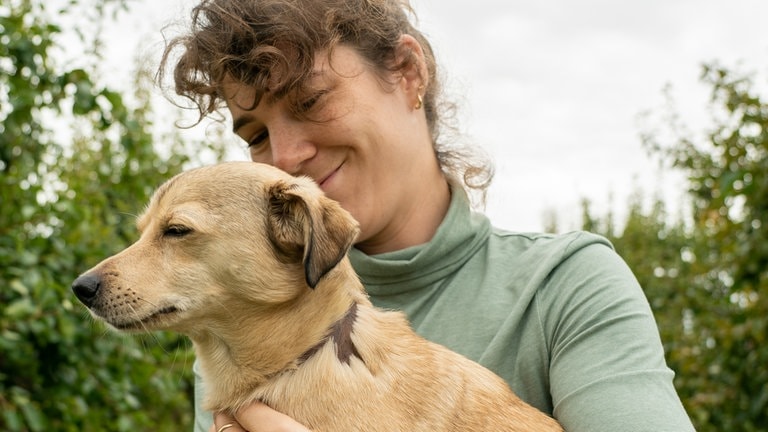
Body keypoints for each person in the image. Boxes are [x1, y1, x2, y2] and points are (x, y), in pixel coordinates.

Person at [159, 0, 696, 431]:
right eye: (255, 135)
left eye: (310, 101)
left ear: (409, 73)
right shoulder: (242, 318)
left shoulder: (564, 285)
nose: (285, 156)